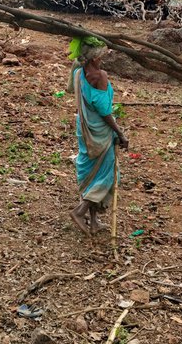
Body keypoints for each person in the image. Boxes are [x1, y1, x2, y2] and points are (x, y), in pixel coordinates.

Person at [66, 37, 129, 236]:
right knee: (106, 173)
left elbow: (76, 94)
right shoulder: (100, 76)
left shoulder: (78, 72)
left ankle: (94, 221)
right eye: (102, 53)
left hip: (84, 128)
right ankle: (79, 211)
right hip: (100, 131)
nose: (104, 56)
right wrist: (120, 132)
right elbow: (103, 110)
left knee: (92, 171)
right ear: (94, 57)